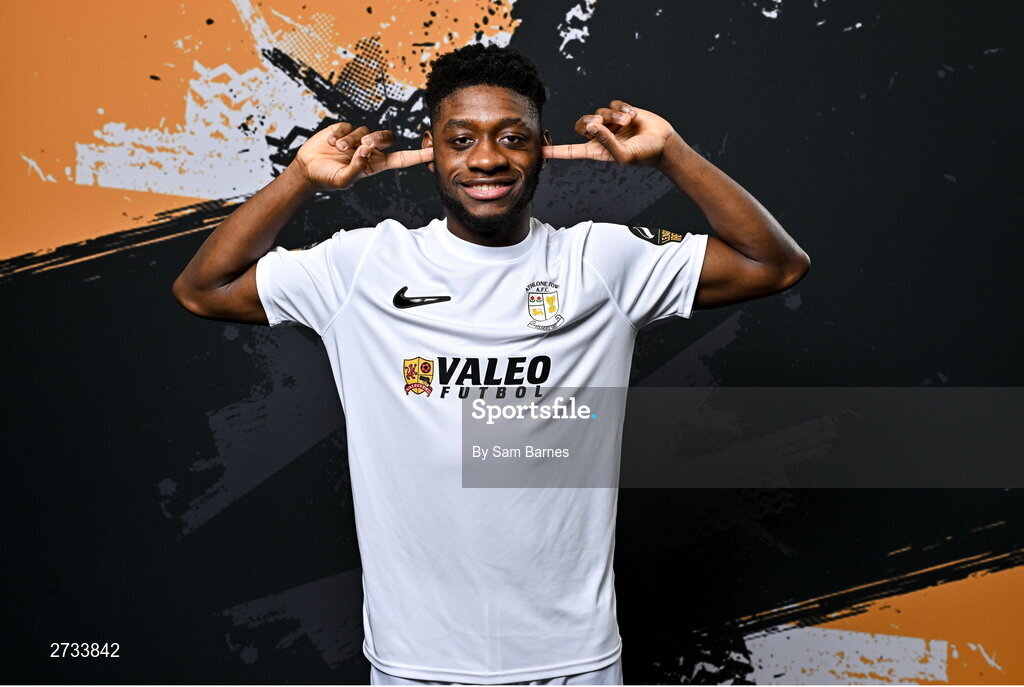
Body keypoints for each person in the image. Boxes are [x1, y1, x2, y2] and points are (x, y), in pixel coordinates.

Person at [172, 44, 809, 686]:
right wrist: (301, 178)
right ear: (431, 149)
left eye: (512, 138)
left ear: (543, 148)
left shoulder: (600, 262)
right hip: (418, 662)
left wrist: (671, 152)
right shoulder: (363, 266)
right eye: (461, 139)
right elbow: (205, 289)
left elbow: (774, 265)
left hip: (573, 660)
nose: (486, 159)